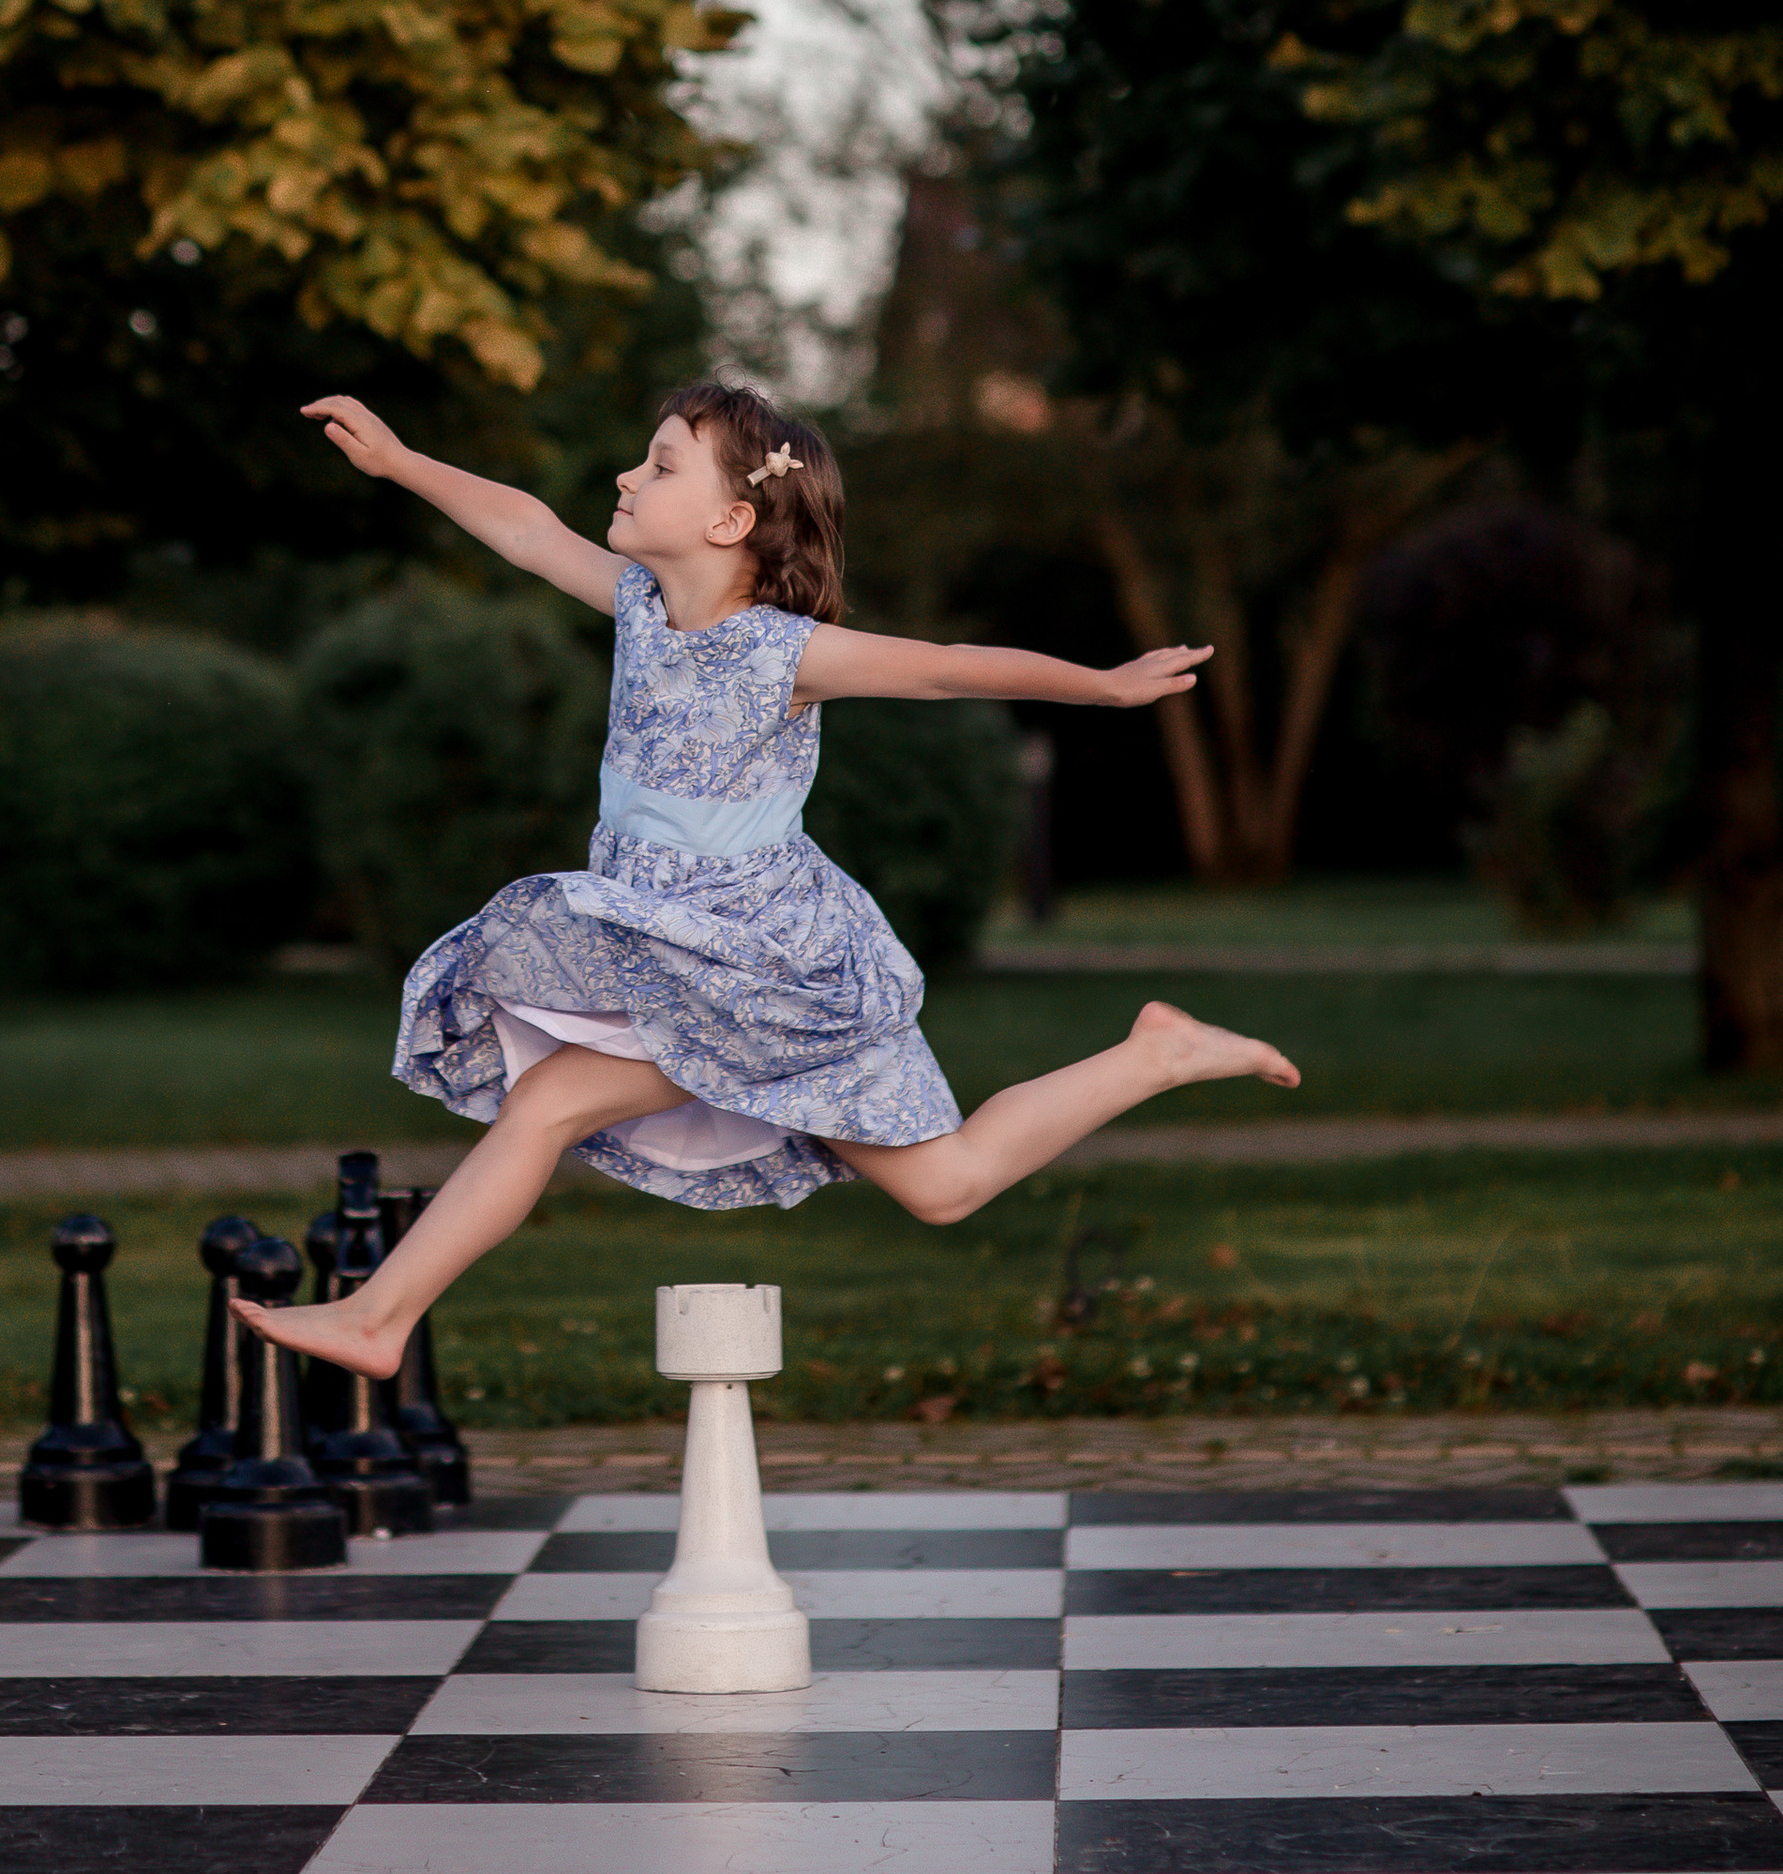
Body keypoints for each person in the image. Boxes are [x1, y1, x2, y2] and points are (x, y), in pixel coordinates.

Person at [237, 378, 1298, 1385]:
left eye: (657, 467)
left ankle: (378, 1319)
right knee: (922, 1179)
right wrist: (403, 461)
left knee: (607, 1112)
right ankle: (1157, 1054)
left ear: (730, 524)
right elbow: (523, 528)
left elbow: (946, 663)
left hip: (765, 965)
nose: (623, 479)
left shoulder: (782, 656)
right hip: (672, 943)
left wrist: (1103, 689)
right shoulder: (641, 607)